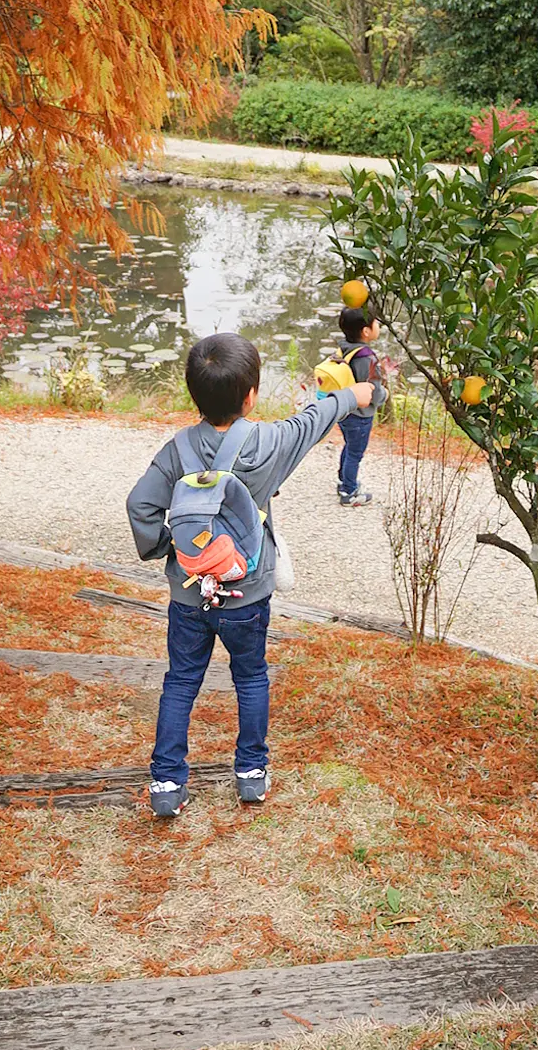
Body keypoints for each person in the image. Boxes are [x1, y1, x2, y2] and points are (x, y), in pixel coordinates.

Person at [126, 330, 375, 819]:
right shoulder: (270, 442)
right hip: (247, 594)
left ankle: (166, 784)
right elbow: (314, 418)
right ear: (251, 395)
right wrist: (352, 395)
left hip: (190, 595)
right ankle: (251, 774)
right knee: (252, 677)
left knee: (180, 683)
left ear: (193, 393)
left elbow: (140, 504)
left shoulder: (176, 450)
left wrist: (169, 550)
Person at [334, 301, 386, 507]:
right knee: (356, 451)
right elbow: (374, 390)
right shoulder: (367, 358)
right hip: (361, 414)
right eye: (376, 323)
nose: (378, 326)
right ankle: (349, 491)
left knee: (349, 446)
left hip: (345, 410)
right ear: (366, 331)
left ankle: (343, 480)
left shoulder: (344, 350)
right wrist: (384, 396)